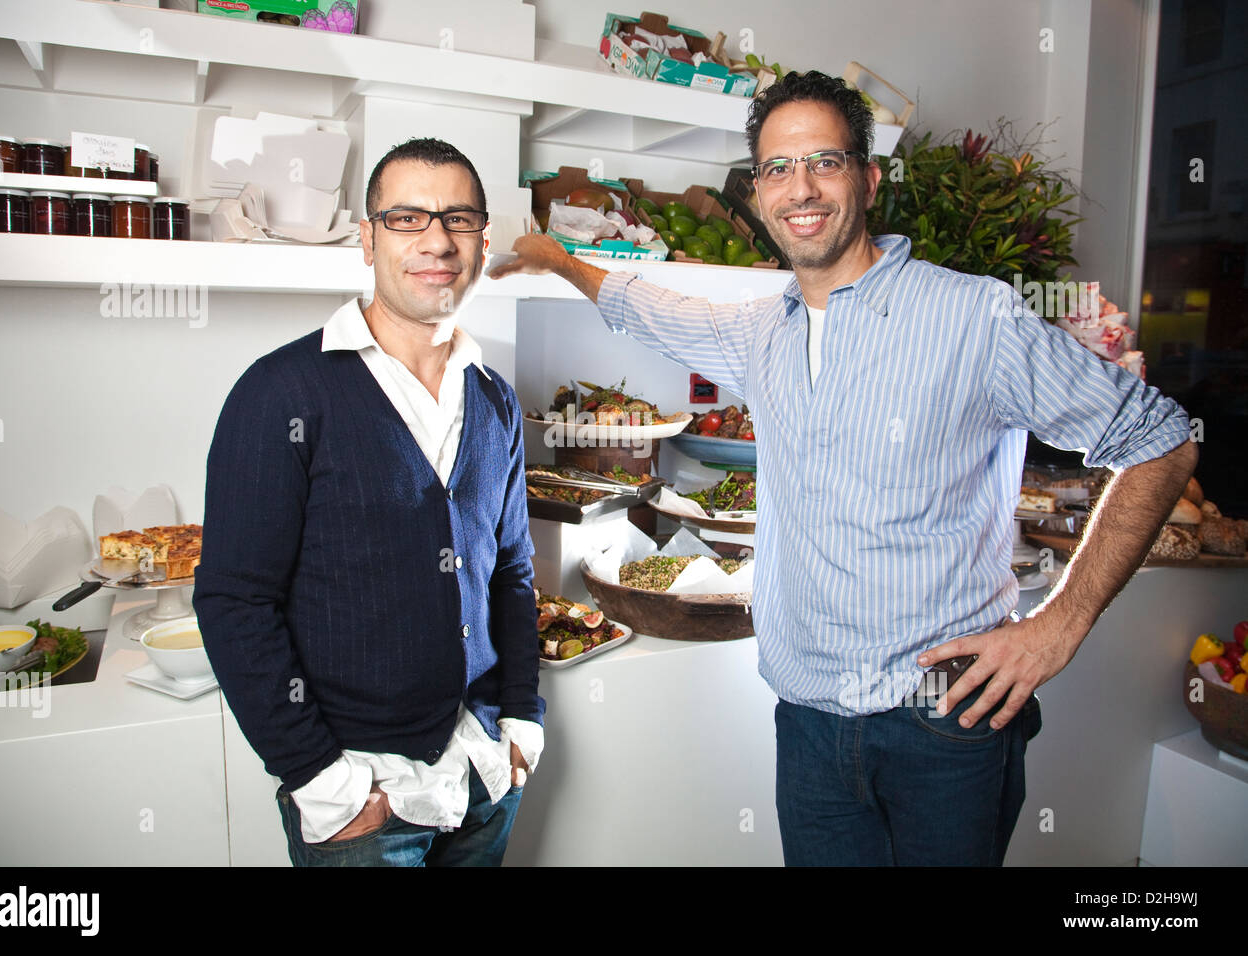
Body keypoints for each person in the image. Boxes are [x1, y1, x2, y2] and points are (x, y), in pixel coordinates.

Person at [488, 72, 1197, 866]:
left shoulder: (974, 317)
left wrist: (1056, 627)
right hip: (810, 725)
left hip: (944, 721)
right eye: (777, 169)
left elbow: (1162, 442)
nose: (801, 188)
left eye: (823, 161)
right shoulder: (764, 332)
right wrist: (556, 259)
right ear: (757, 195)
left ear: (867, 176)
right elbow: (649, 307)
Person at [194, 137, 543, 867]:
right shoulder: (282, 393)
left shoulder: (496, 400)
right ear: (367, 238)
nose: (436, 240)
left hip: (482, 773)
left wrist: (521, 722)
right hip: (363, 797)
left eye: (457, 218)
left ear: (483, 241)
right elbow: (233, 600)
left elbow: (512, 572)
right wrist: (322, 781)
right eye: (406, 218)